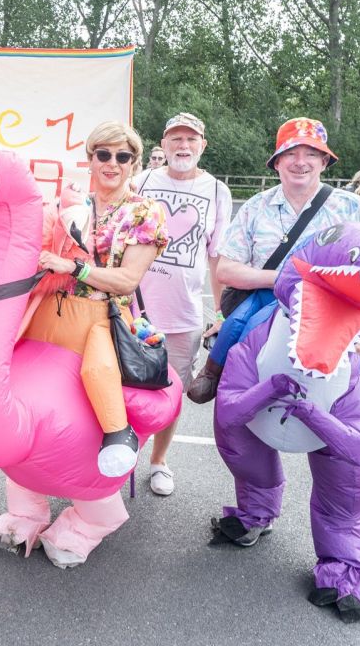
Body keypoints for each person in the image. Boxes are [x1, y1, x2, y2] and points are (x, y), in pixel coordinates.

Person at [187, 117, 360, 404]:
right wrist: (285, 277)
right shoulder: (255, 207)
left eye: (311, 154)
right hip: (267, 296)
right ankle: (213, 374)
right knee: (238, 326)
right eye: (291, 154)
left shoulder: (352, 208)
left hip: (333, 307)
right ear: (277, 162)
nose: (301, 162)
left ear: (324, 161)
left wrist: (355, 327)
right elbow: (225, 269)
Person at [36, 121, 169, 477]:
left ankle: (117, 436)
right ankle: (29, 500)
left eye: (122, 156)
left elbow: (126, 280)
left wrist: (74, 268)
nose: (113, 163)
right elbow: (29, 235)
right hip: (54, 315)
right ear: (91, 160)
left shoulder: (145, 212)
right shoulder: (70, 202)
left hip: (102, 320)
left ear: (134, 163)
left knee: (96, 380)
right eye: (104, 154)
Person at [132, 112, 231, 496]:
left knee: (171, 392)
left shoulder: (218, 191)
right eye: (175, 139)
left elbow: (217, 257)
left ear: (203, 145)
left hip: (184, 314)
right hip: (132, 310)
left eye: (191, 139)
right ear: (164, 144)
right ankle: (120, 457)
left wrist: (221, 312)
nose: (183, 146)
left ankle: (159, 461)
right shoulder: (141, 181)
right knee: (119, 385)